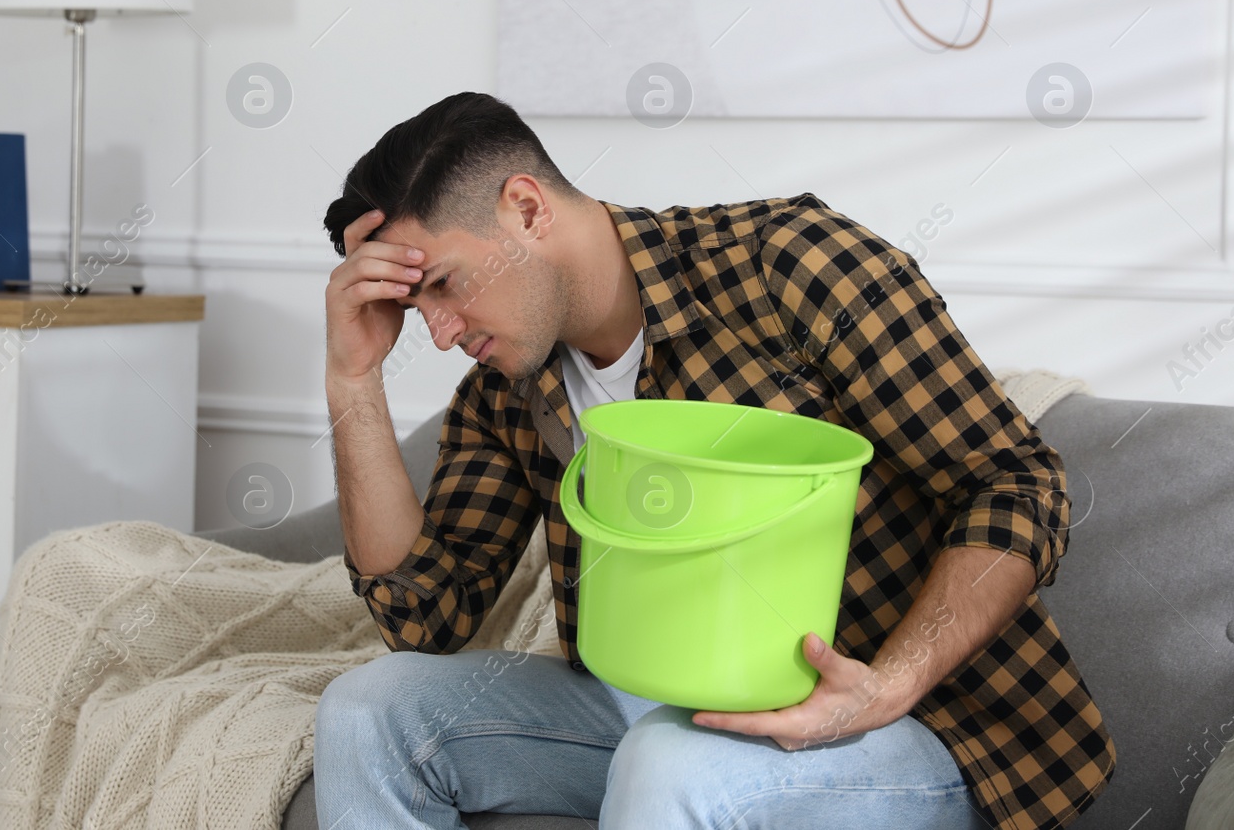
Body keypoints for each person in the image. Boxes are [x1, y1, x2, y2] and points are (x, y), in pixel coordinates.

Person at [314, 91, 1113, 830]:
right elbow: (426, 614)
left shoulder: (788, 265)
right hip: (659, 721)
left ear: (525, 208)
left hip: (914, 724)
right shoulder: (508, 390)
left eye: (447, 284)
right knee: (368, 709)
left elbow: (1016, 482)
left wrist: (886, 685)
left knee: (670, 765)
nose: (443, 332)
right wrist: (353, 377)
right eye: (420, 308)